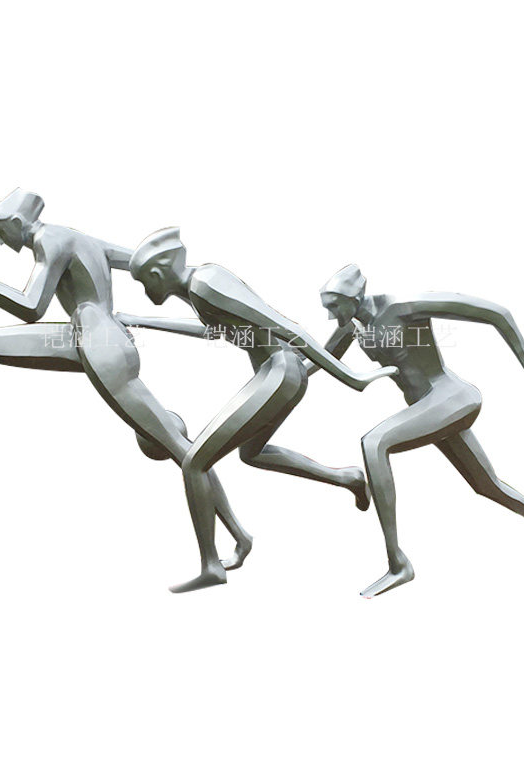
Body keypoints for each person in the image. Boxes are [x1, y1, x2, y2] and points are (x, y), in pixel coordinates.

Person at [0, 190, 252, 574]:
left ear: (16, 222)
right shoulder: (77, 236)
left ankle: (232, 541)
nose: (1, 241)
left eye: (0, 231)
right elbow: (137, 261)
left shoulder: (49, 239)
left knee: (182, 450)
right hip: (86, 337)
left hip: (99, 345)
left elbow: (30, 307)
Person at [124, 228, 397, 592]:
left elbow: (284, 325)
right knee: (251, 454)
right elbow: (212, 332)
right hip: (276, 374)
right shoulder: (197, 290)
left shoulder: (206, 282)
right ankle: (347, 478)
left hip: (279, 374)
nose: (147, 291)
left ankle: (212, 565)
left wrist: (350, 377)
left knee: (194, 462)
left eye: (144, 282)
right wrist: (141, 320)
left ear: (158, 274)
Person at [314, 264, 524, 597]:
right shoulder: (353, 326)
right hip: (427, 409)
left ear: (355, 296)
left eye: (334, 306)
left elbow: (495, 312)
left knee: (375, 443)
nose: (330, 316)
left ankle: (398, 564)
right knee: (485, 484)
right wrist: (276, 360)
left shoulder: (403, 307)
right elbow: (319, 359)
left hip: (452, 398)